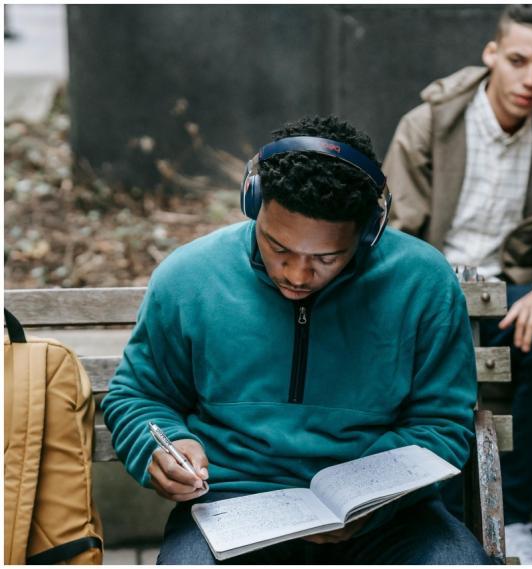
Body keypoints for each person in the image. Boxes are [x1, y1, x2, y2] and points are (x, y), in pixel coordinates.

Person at [101, 115, 492, 565]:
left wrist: (370, 500)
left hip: (391, 518)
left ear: (369, 231)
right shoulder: (188, 277)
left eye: (326, 257)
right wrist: (161, 444)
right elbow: (137, 395)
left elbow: (442, 421)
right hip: (232, 512)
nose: (297, 275)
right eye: (278, 247)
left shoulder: (423, 282)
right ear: (253, 201)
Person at [384, 5, 532, 564]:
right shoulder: (429, 123)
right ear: (491, 55)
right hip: (434, 289)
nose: (530, 80)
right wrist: (429, 300)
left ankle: (517, 518)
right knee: (419, 362)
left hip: (512, 298)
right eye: (518, 61)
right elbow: (393, 236)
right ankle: (434, 525)